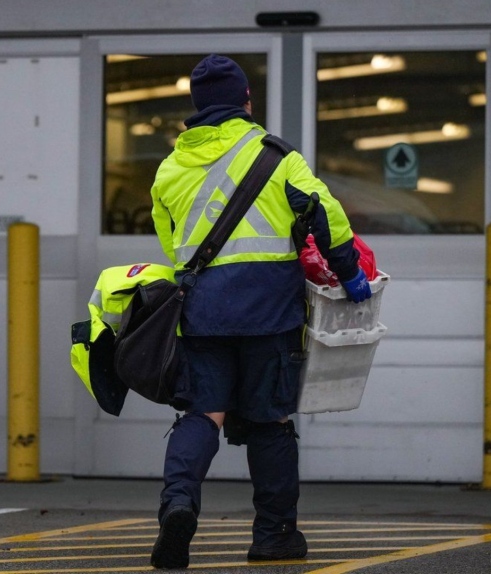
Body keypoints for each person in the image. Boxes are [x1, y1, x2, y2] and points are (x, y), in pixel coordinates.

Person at [147, 54, 372, 569]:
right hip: (270, 314)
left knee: (202, 413)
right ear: (246, 100)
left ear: (196, 107)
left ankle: (177, 506)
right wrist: (349, 273)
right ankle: (273, 536)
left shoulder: (170, 167)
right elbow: (327, 214)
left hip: (202, 313)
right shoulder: (277, 156)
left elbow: (172, 245)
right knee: (270, 421)